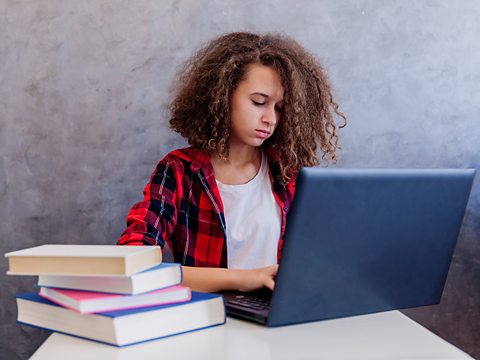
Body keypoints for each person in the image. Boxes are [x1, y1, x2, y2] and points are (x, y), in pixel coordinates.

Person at [117, 31, 346, 293]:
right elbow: (132, 261)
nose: (270, 118)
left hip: (277, 314)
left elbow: (317, 260)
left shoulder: (287, 173)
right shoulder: (179, 171)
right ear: (223, 95)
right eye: (259, 102)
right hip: (204, 313)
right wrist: (243, 278)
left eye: (280, 108)